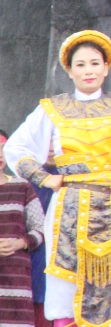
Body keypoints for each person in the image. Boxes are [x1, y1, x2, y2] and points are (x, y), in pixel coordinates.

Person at [4, 30, 111, 327]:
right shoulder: (52, 109)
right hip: (69, 210)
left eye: (95, 63)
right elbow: (16, 148)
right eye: (80, 64)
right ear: (69, 71)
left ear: (106, 68)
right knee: (68, 283)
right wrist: (45, 179)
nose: (88, 71)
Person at [0, 130, 46, 327]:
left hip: (16, 277)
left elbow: (41, 228)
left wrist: (19, 243)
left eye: (4, 149)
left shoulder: (22, 186)